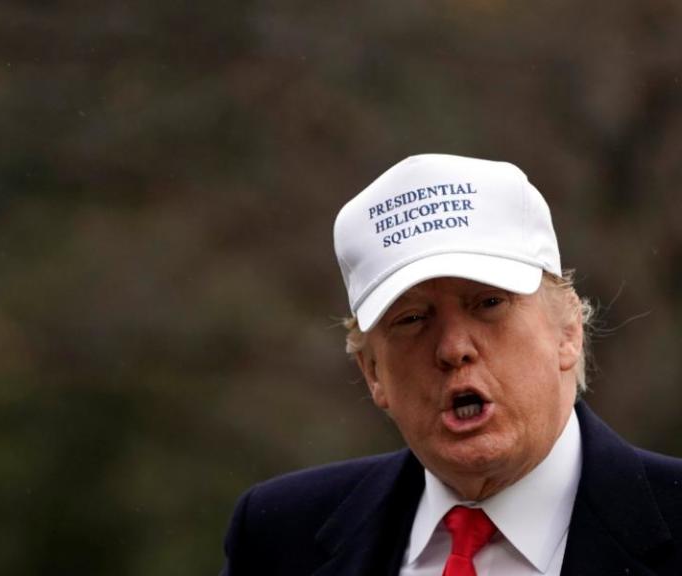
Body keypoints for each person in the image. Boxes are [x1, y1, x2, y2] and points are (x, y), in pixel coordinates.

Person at [220, 154, 682, 575]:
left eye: (488, 303)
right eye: (413, 318)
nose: (453, 347)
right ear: (373, 372)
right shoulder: (279, 537)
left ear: (568, 331)